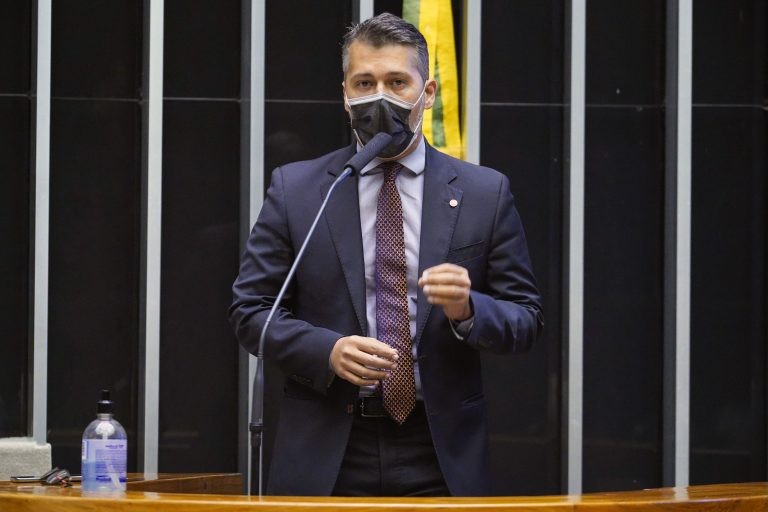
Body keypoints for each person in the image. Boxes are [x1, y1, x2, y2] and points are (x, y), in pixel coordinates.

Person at [229, 12, 543, 497]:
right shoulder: (299, 189)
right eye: (365, 82)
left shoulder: (485, 193)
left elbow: (526, 321)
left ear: (428, 92)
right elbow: (251, 313)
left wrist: (466, 309)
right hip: (328, 445)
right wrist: (326, 351)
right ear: (345, 94)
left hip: (438, 448)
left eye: (397, 81)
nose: (381, 96)